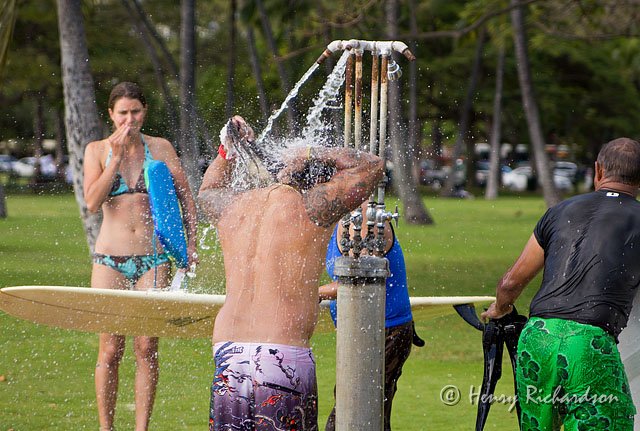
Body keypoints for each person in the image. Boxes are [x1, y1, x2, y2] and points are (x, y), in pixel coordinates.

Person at [198, 115, 384, 431]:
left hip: (229, 350)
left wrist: (227, 149)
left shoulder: (235, 206)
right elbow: (372, 166)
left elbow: (208, 190)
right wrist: (310, 152)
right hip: (281, 354)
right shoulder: (312, 207)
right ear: (319, 180)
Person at [481, 137, 640, 431]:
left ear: (598, 170)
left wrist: (500, 310)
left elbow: (510, 283)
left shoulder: (559, 211)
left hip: (538, 337)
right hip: (589, 343)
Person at [83, 81, 198, 431]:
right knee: (110, 349)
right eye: (123, 113)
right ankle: (106, 427)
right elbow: (92, 202)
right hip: (110, 260)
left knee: (146, 347)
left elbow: (185, 199)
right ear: (111, 114)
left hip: (154, 258)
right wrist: (116, 158)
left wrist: (191, 244)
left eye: (135, 112)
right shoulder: (97, 150)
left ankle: (141, 428)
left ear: (144, 111)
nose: (129, 120)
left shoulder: (160, 148)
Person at [319, 202, 423, 431]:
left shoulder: (364, 217)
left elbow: (358, 279)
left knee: (357, 415)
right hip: (362, 329)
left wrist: (313, 293)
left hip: (385, 330)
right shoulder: (342, 217)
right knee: (364, 416)